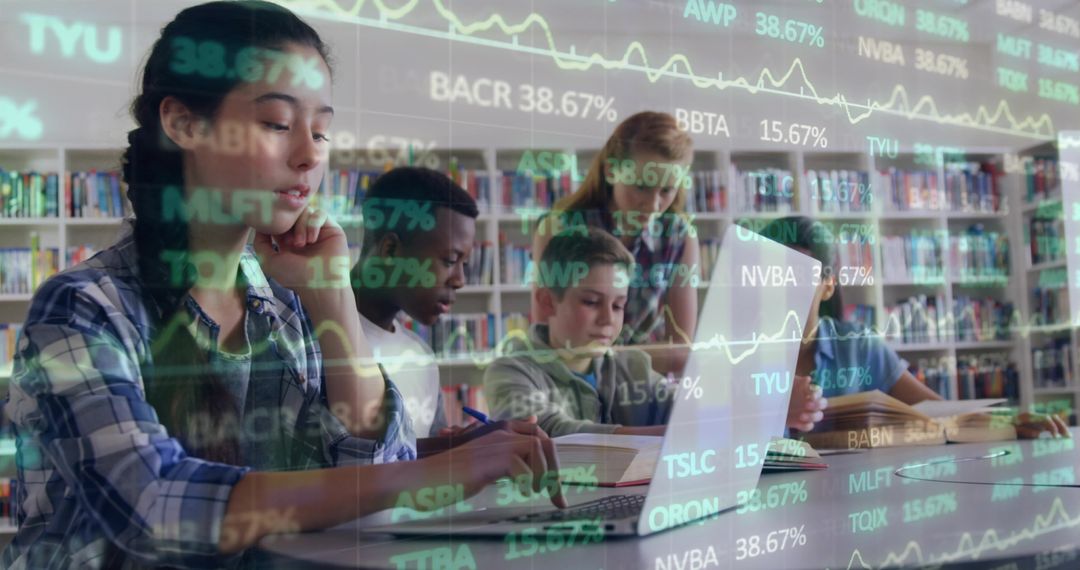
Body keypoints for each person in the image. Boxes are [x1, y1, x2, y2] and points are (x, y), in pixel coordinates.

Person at [1, 3, 562, 567]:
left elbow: (371, 471)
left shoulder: (285, 306)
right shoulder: (83, 308)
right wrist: (427, 473)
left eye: (321, 131)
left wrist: (332, 297)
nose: (309, 154)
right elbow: (158, 506)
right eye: (276, 124)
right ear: (183, 123)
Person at [489, 227, 825, 437]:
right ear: (548, 300)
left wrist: (766, 406)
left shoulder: (630, 366)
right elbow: (551, 432)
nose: (609, 319)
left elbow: (689, 407)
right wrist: (678, 434)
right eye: (591, 301)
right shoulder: (511, 370)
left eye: (619, 305)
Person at [763, 216, 1070, 439]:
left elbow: (933, 408)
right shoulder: (733, 351)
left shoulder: (858, 345)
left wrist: (1010, 422)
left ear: (828, 286)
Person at [532, 111, 699, 376]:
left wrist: (592, 355)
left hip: (646, 391)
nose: (653, 205)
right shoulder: (558, 228)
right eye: (642, 186)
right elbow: (546, 340)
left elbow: (680, 352)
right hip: (573, 385)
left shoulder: (679, 235)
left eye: (667, 190)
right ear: (611, 170)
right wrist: (638, 358)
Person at [350, 166, 473, 445]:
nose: (460, 280)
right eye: (450, 260)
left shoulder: (422, 357)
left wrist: (458, 448)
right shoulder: (309, 339)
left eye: (464, 264)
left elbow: (415, 462)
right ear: (391, 250)